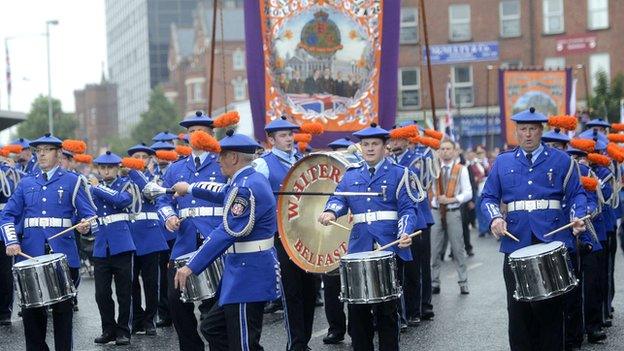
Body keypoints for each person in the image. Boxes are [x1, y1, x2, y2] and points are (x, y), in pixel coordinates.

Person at [480, 107, 587, 351]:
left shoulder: (561, 160)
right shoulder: (503, 161)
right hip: (516, 240)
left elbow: (576, 195)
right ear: (516, 132)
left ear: (541, 131)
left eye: (533, 130)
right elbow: (488, 197)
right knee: (518, 310)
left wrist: (577, 217)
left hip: (552, 239)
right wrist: (495, 219)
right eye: (523, 130)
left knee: (551, 310)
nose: (528, 134)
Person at [172, 130, 280, 351]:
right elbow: (222, 192)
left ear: (234, 158)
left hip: (248, 275)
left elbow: (226, 232)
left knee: (244, 344)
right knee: (212, 327)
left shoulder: (245, 186)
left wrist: (191, 266)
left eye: (222, 155)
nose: (218, 160)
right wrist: (190, 188)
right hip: (240, 273)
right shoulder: (246, 180)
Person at [318, 123, 416, 351]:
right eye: (365, 144)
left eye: (374, 144)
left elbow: (408, 209)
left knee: (388, 311)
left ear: (385, 147)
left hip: (390, 246)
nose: (369, 148)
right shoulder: (351, 176)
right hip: (359, 248)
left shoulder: (399, 174)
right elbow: (338, 198)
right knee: (358, 310)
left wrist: (405, 233)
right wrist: (330, 210)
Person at [1, 133, 96, 351]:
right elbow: (7, 215)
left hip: (63, 256)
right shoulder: (26, 183)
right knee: (32, 313)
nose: (41, 154)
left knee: (63, 313)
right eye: (38, 150)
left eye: (47, 150)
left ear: (59, 153)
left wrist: (86, 225)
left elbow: (91, 216)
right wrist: (11, 241)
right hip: (30, 254)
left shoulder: (73, 181)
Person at [156, 110, 227, 351]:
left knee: (215, 301)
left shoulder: (221, 162)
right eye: (192, 131)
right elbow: (163, 199)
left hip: (215, 239)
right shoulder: (176, 168)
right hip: (185, 241)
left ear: (211, 135)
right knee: (176, 300)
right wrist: (169, 216)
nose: (196, 135)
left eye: (202, 131)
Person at [253, 116, 319, 351]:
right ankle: (296, 344)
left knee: (310, 291)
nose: (289, 139)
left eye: (290, 134)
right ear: (270, 140)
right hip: (282, 237)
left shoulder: (302, 160)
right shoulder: (262, 164)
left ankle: (305, 340)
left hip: (308, 236)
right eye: (283, 135)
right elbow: (257, 198)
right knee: (292, 292)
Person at [90, 151, 138, 346]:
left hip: (122, 245)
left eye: (109, 167)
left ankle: (124, 330)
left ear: (117, 168)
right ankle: (108, 329)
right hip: (101, 245)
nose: (106, 170)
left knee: (124, 292)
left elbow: (121, 200)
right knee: (101, 293)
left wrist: (98, 188)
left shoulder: (127, 184)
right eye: (102, 167)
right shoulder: (92, 189)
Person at [126, 144, 170, 336]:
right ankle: (136, 318)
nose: (141, 160)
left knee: (152, 282)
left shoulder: (156, 179)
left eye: (145, 156)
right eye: (137, 156)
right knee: (131, 281)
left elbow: (153, 194)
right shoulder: (124, 180)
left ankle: (150, 318)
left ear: (151, 160)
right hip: (130, 235)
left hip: (151, 235)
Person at [430, 140, 472, 295]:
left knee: (458, 248)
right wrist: (435, 199)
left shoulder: (461, 169)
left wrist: (451, 200)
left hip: (453, 211)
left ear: (454, 151)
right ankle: (434, 282)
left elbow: (468, 193)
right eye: (442, 149)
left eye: (448, 149)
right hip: (435, 210)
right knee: (434, 249)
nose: (445, 151)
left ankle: (463, 282)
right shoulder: (433, 168)